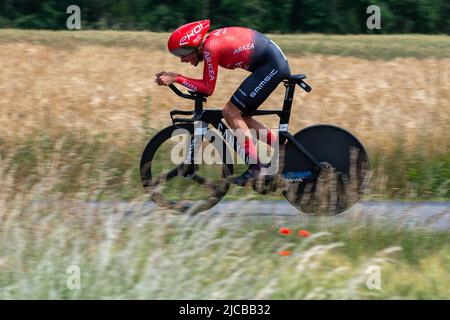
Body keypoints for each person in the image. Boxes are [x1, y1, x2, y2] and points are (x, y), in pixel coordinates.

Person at [155, 20, 291, 185]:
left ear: (195, 45)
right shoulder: (210, 44)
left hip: (271, 66)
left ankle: (257, 168)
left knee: (230, 112)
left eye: (182, 53)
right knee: (241, 118)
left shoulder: (210, 48)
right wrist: (177, 78)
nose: (182, 59)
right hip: (269, 64)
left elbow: (207, 88)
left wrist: (177, 78)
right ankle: (284, 149)